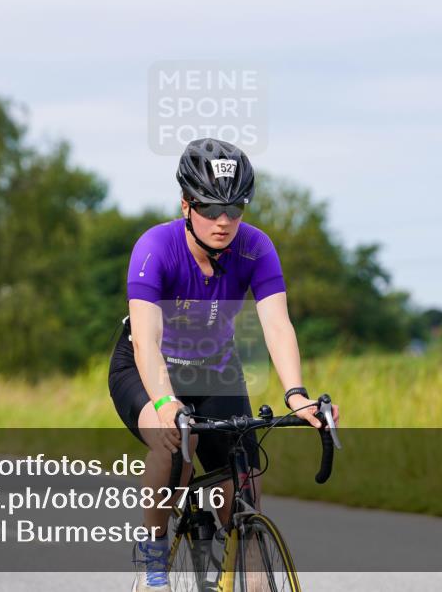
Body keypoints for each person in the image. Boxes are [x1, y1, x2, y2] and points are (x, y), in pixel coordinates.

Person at [109, 139, 339, 591]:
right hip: (146, 366)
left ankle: (252, 578)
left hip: (214, 368)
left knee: (244, 482)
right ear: (186, 204)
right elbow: (148, 342)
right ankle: (153, 559)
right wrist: (163, 400)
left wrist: (295, 393)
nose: (223, 221)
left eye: (235, 209)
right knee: (173, 450)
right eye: (211, 209)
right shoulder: (156, 248)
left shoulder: (255, 248)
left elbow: (277, 325)